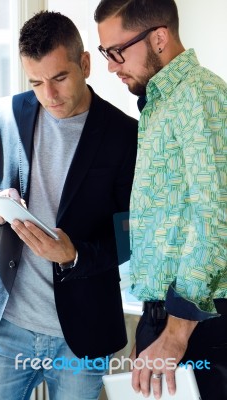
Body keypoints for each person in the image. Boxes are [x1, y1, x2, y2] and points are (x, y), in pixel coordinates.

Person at [0, 10, 138, 400]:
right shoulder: (5, 114)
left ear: (85, 64)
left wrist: (74, 255)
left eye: (59, 77)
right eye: (37, 82)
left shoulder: (126, 136)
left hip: (82, 336)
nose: (49, 95)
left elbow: (132, 236)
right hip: (6, 327)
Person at [95, 1, 227, 399]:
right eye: (105, 53)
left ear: (159, 37)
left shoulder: (201, 96)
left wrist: (175, 331)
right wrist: (152, 327)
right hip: (165, 319)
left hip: (199, 324)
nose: (111, 66)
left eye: (116, 51)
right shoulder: (160, 104)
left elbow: (215, 217)